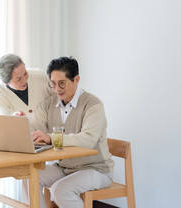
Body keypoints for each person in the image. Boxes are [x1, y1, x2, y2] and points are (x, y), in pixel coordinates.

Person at [24, 56, 114, 208]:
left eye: (62, 83)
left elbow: (87, 140)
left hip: (96, 169)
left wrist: (51, 138)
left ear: (76, 79)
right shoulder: (49, 104)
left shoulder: (93, 104)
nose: (57, 89)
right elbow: (35, 128)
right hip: (64, 168)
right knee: (29, 177)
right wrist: (21, 125)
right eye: (53, 84)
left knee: (60, 190)